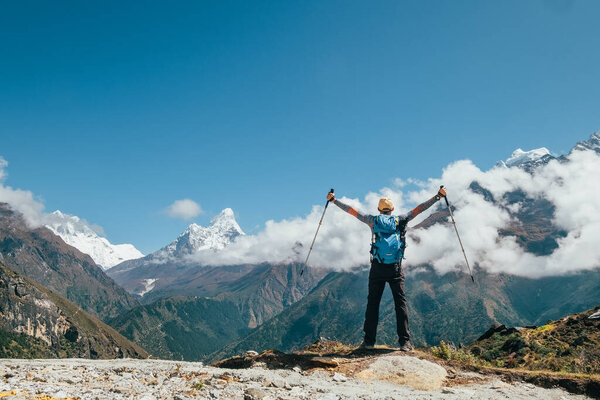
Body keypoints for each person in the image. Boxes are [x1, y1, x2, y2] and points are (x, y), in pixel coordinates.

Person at [326, 187, 447, 351]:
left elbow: (352, 211)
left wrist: (334, 201)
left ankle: (369, 341)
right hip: (396, 268)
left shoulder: (372, 220)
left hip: (377, 267)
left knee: (373, 304)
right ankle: (405, 342)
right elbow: (419, 209)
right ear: (392, 209)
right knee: (400, 304)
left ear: (379, 209)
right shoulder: (401, 219)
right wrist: (437, 197)